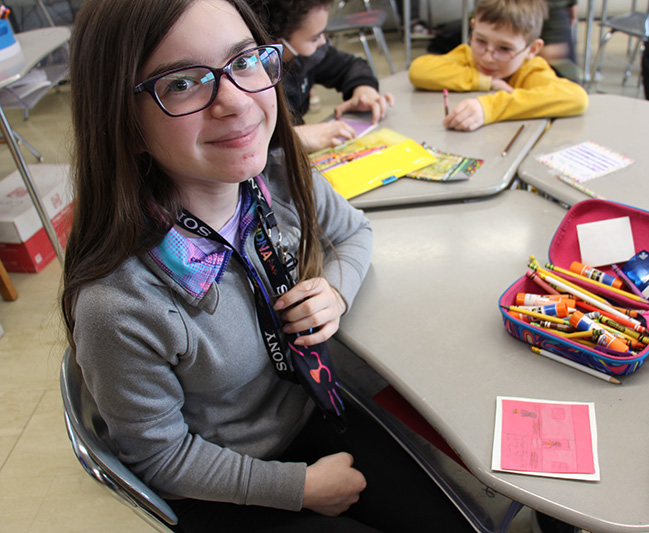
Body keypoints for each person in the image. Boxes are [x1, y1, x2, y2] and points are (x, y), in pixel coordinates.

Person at [61, 0, 473, 531]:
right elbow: (160, 458)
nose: (235, 100)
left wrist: (337, 289)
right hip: (224, 481)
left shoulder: (274, 178)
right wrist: (298, 489)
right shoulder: (120, 303)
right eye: (182, 84)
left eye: (244, 62)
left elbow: (355, 232)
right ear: (122, 118)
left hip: (313, 407)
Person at [408, 0, 588, 132]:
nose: (487, 57)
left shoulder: (530, 69)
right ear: (473, 28)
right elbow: (419, 70)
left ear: (532, 49)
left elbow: (577, 97)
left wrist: (488, 108)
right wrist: (487, 81)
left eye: (504, 48)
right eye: (480, 41)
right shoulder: (468, 55)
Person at [247, 0, 395, 152]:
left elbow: (352, 66)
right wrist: (294, 136)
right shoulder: (250, 83)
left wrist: (364, 90)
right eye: (314, 38)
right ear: (277, 41)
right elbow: (249, 141)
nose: (322, 42)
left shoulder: (306, 56)